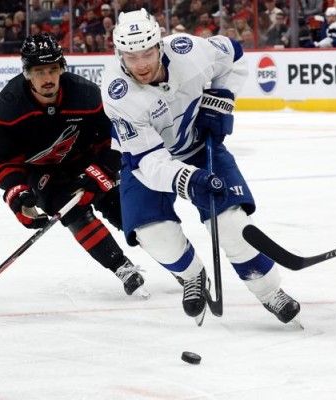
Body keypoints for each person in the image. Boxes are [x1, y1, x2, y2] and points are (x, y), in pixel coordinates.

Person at [101, 9, 301, 324]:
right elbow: (149, 161)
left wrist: (220, 99)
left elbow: (234, 56)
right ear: (118, 53)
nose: (140, 64)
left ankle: (269, 293)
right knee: (153, 236)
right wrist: (189, 179)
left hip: (198, 145)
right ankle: (193, 276)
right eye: (130, 55)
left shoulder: (188, 50)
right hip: (147, 163)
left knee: (231, 226)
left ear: (159, 46)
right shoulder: (118, 92)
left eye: (147, 53)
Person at [0, 33, 147, 297]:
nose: (47, 79)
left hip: (86, 159)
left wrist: (102, 169)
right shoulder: (8, 106)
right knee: (69, 209)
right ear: (27, 73)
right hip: (42, 172)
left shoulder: (87, 95)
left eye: (52, 69)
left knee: (118, 205)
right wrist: (17, 194)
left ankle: (172, 260)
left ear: (62, 68)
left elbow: (117, 139)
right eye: (39, 72)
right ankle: (122, 267)